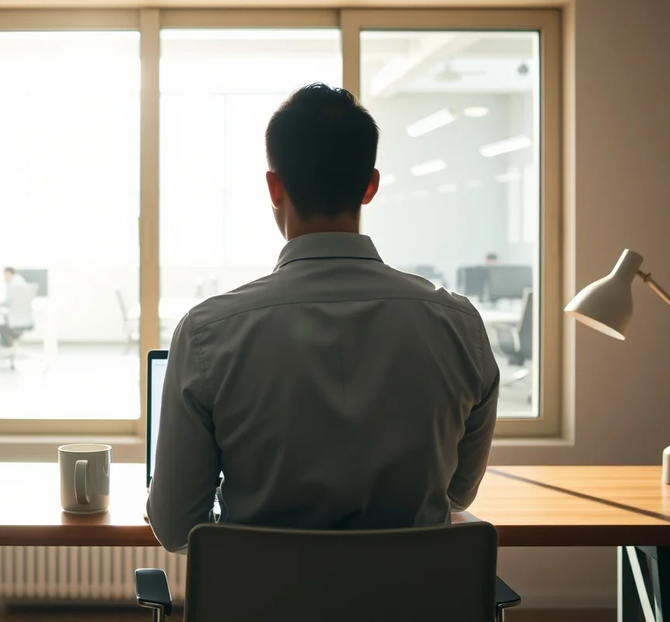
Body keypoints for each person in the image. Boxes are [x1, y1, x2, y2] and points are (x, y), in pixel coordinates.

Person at [146, 83, 500, 553]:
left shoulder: (209, 332)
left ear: (275, 187)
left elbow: (175, 526)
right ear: (369, 185)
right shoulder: (459, 327)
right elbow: (456, 494)